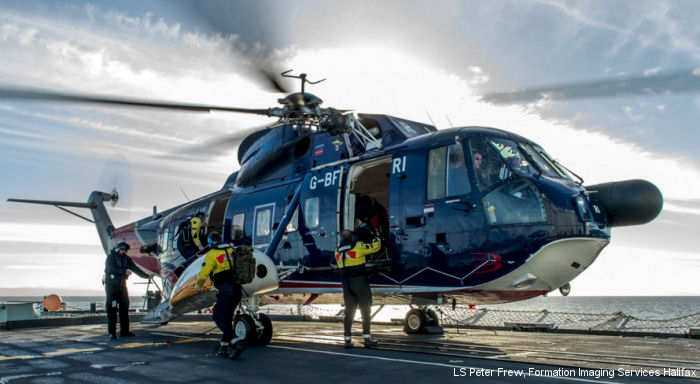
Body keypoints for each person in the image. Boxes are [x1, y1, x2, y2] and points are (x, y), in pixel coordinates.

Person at [195, 232, 246, 359]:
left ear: (211, 242)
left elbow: (203, 274)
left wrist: (198, 286)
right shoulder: (231, 250)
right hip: (237, 289)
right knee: (227, 319)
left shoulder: (212, 254)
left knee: (218, 317)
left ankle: (236, 341)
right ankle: (224, 349)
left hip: (225, 290)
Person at [335, 227, 381, 348]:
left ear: (341, 238)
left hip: (346, 285)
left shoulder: (337, 251)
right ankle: (367, 339)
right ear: (353, 237)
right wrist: (375, 236)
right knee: (365, 309)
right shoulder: (358, 246)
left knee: (349, 311)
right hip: (360, 283)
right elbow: (376, 247)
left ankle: (347, 340)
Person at [104, 241, 149, 339]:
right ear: (117, 248)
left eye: (124, 250)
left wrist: (146, 276)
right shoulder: (110, 258)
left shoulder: (126, 259)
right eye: (122, 250)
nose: (123, 252)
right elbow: (109, 269)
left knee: (124, 308)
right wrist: (123, 271)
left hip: (122, 286)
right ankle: (112, 332)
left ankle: (125, 331)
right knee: (112, 310)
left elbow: (135, 268)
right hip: (112, 288)